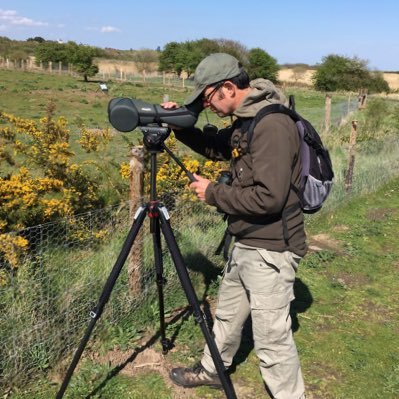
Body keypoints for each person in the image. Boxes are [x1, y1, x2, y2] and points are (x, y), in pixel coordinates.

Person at [162, 53, 306, 399]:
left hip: (272, 247)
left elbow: (269, 198)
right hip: (246, 239)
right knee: (227, 315)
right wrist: (181, 126)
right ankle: (213, 371)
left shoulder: (271, 125)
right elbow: (217, 148)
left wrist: (213, 193)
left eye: (208, 98)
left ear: (228, 87)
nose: (208, 106)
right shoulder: (247, 119)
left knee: (272, 338)